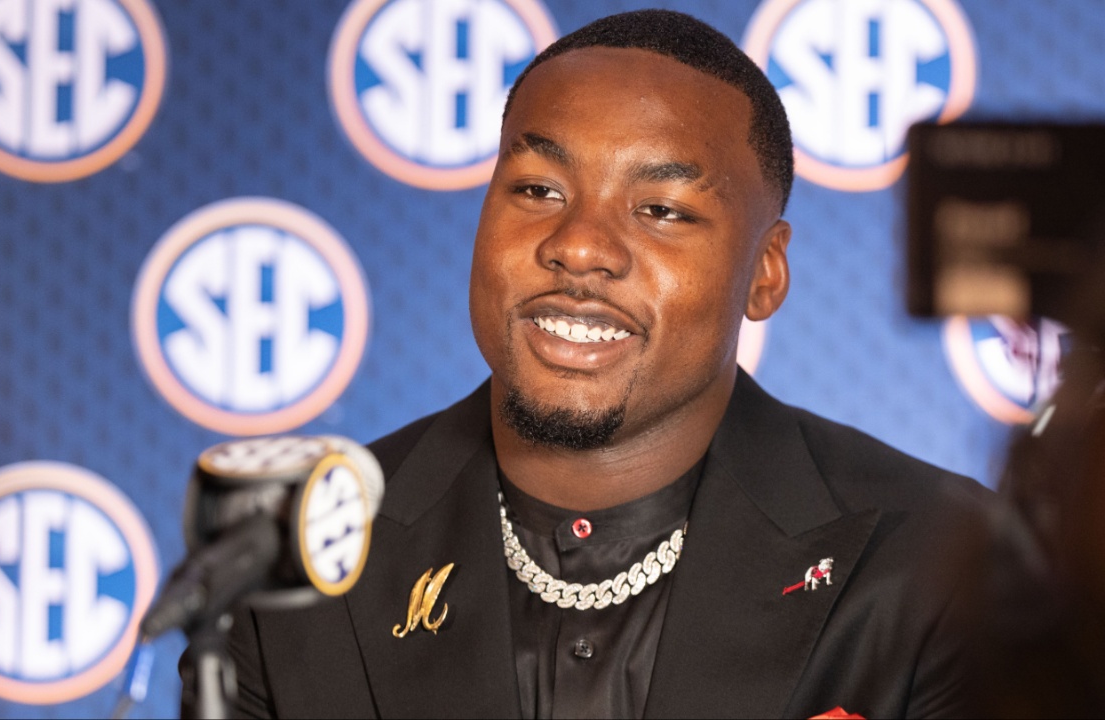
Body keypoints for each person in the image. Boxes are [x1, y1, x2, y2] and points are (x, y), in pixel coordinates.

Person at [226, 10, 990, 719]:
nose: (579, 245)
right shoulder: (298, 558)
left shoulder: (946, 566)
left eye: (661, 209)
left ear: (765, 272)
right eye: (537, 189)